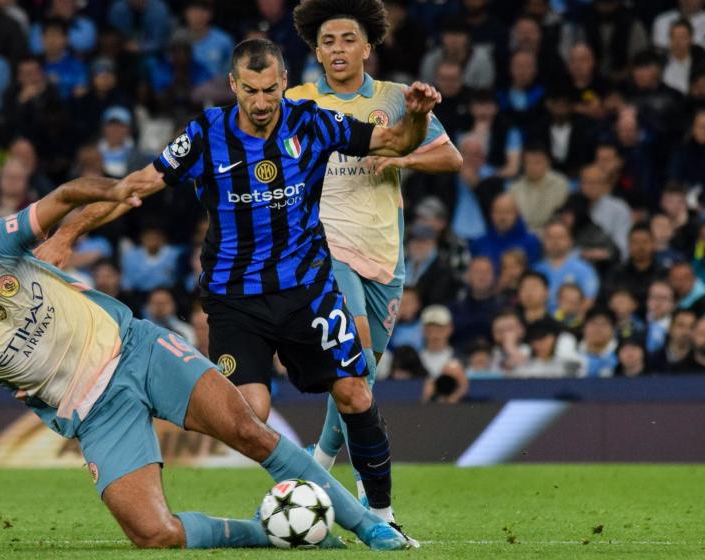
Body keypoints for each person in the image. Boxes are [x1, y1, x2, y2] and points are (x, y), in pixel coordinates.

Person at [36, 37, 439, 547]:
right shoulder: (206, 134)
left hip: (308, 291)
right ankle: (288, 511)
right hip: (235, 299)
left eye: (271, 88)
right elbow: (138, 184)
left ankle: (381, 516)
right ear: (233, 86)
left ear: (285, 82)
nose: (263, 101)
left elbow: (396, 142)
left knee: (356, 392)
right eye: (251, 90)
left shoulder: (312, 122)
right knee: (250, 416)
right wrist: (68, 235)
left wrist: (420, 116)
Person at [0, 174, 412, 552]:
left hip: (137, 349)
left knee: (251, 432)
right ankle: (269, 533)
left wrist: (106, 193)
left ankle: (372, 528)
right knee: (153, 535)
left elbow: (65, 195)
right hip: (93, 411)